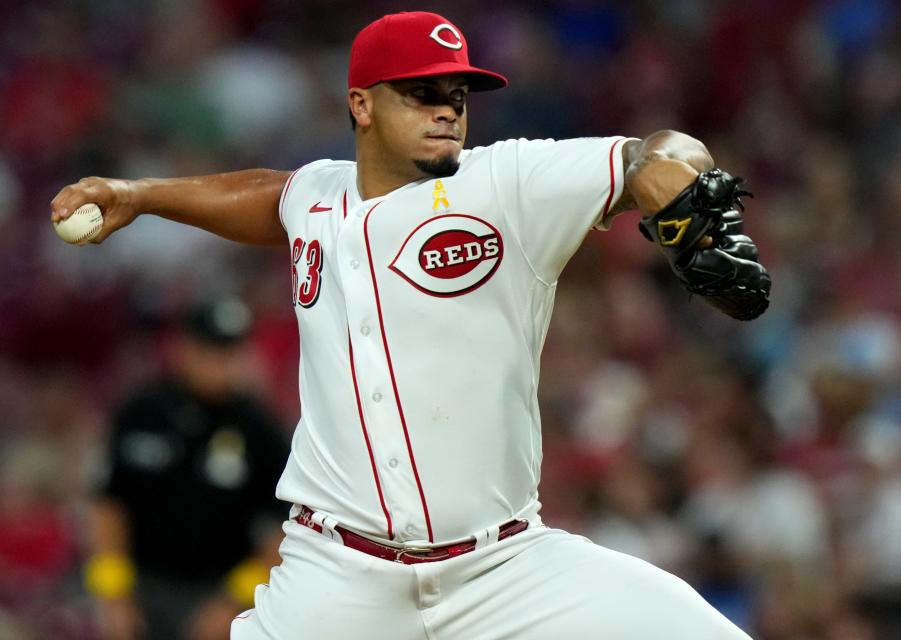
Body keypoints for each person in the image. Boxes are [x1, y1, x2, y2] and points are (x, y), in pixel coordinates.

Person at [54, 11, 769, 639]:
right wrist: (140, 195)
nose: (447, 110)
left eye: (457, 96)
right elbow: (267, 194)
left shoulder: (507, 185)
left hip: (504, 569)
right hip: (335, 580)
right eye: (423, 92)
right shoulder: (319, 195)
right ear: (361, 105)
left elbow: (655, 153)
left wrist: (684, 197)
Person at [86, 296, 289, 640]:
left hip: (219, 589)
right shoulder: (142, 413)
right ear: (183, 347)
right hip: (142, 584)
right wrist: (113, 594)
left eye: (230, 351)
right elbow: (109, 507)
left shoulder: (259, 429)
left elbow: (282, 528)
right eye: (211, 349)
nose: (222, 363)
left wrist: (234, 601)